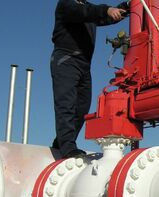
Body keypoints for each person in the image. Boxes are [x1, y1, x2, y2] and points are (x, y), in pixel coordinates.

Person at [51, 0, 127, 158]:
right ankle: (67, 148)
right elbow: (86, 12)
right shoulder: (66, 4)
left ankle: (61, 142)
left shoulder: (88, 7)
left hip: (84, 64)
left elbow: (102, 17)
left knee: (82, 107)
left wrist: (125, 6)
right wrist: (106, 10)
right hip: (66, 59)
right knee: (66, 104)